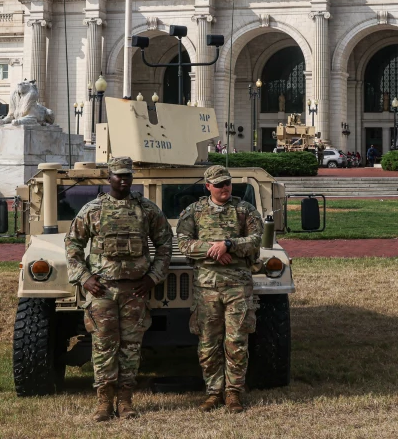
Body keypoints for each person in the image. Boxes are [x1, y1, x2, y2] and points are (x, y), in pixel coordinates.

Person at [65, 156, 173, 422]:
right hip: (102, 291)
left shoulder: (146, 209)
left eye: (127, 175)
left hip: (135, 291)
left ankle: (125, 401)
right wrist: (84, 277)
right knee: (102, 347)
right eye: (118, 176)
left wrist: (153, 278)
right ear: (109, 177)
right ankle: (103, 403)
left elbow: (165, 245)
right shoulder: (92, 210)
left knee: (131, 348)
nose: (123, 180)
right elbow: (73, 246)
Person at [177, 165, 264, 414]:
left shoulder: (244, 210)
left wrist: (228, 244)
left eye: (227, 183)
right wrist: (212, 251)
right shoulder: (194, 211)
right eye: (218, 184)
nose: (224, 188)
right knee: (208, 343)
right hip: (207, 287)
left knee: (237, 341)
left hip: (238, 287)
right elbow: (183, 242)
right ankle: (213, 392)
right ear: (208, 187)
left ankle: (234, 392)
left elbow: (256, 240)